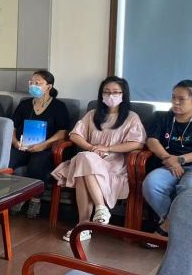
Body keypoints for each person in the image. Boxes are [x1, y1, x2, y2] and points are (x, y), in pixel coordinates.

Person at [51, 77, 146, 242]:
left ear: (124, 94)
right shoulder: (92, 114)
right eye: (106, 92)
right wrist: (91, 148)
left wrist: (107, 148)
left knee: (82, 168)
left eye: (115, 92)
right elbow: (74, 135)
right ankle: (99, 209)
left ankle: (83, 225)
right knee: (84, 159)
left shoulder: (131, 117)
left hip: (115, 163)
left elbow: (137, 143)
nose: (111, 96)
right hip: (90, 158)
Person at [142, 80, 192, 234]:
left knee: (188, 187)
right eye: (173, 97)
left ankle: (166, 229)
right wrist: (169, 158)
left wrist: (180, 159)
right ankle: (175, 227)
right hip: (168, 164)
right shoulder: (162, 118)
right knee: (151, 183)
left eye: (181, 99)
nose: (175, 102)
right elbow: (152, 141)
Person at [9, 70, 70, 218]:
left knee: (37, 163)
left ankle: (35, 199)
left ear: (49, 86)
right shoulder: (24, 104)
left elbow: (63, 132)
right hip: (22, 146)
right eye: (31, 82)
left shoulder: (59, 106)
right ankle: (12, 197)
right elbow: (12, 126)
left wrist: (44, 145)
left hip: (45, 148)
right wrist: (15, 142)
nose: (33, 85)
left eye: (38, 83)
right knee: (8, 160)